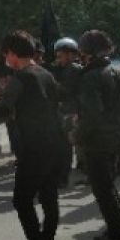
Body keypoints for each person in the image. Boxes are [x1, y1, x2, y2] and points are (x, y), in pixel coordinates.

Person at [0, 31, 69, 240]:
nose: (5, 58)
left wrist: (4, 104)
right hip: (56, 143)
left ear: (12, 53)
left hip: (34, 146)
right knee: (49, 198)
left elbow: (3, 110)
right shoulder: (46, 73)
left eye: (5, 53)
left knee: (22, 199)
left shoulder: (20, 77)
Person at [75, 30, 120, 240]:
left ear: (86, 51)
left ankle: (117, 238)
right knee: (108, 189)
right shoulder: (119, 72)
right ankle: (116, 232)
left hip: (97, 140)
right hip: (115, 137)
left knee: (104, 190)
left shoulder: (91, 77)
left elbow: (92, 114)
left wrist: (77, 134)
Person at [49, 37, 84, 186]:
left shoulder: (74, 70)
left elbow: (66, 91)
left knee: (64, 147)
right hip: (62, 111)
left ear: (71, 55)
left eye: (61, 55)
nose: (58, 58)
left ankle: (62, 177)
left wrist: (50, 81)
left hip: (70, 111)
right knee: (60, 147)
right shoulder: (62, 69)